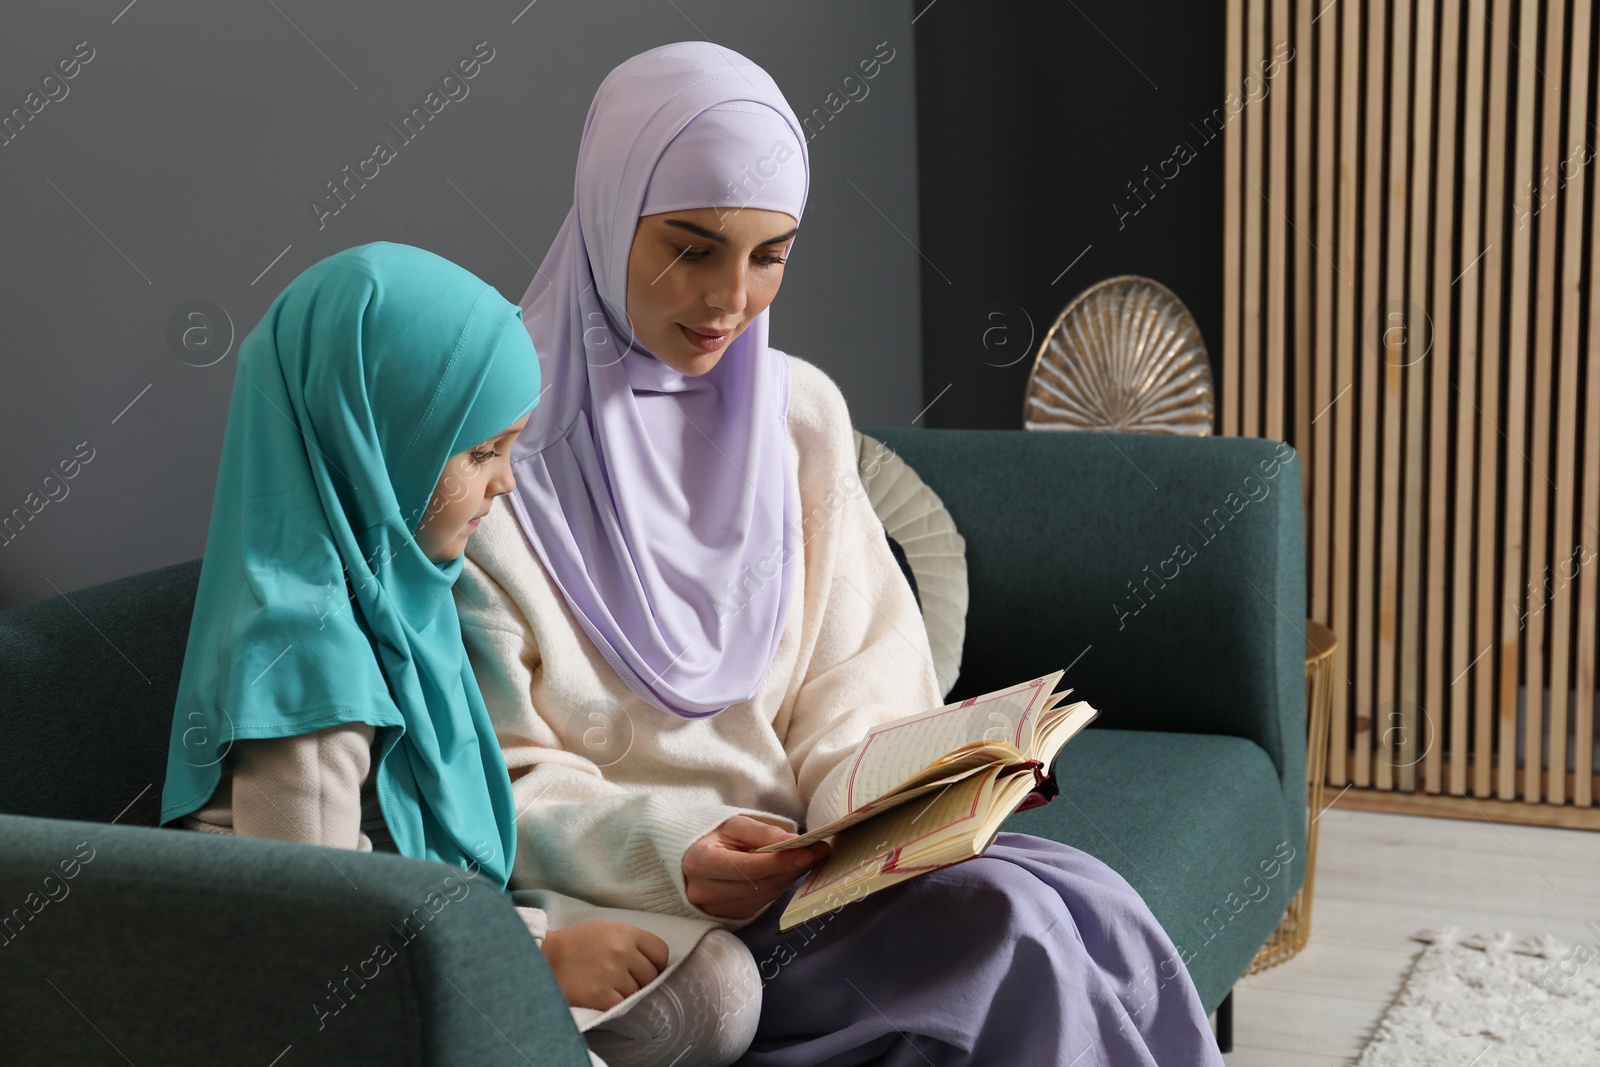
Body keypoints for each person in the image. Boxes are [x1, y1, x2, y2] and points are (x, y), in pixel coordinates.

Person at [455, 42, 1227, 1066]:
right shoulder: (488, 453)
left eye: (769, 254)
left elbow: (856, 670)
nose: (731, 298)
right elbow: (481, 771)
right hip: (647, 912)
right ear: (607, 210)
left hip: (814, 873)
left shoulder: (798, 415)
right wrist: (674, 846)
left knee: (1094, 909)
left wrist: (867, 809)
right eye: (691, 247)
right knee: (1018, 939)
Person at [156, 242, 746, 1065]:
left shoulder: (401, 592)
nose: (506, 483)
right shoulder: (304, 656)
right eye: (479, 454)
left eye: (507, 448)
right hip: (341, 982)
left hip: (437, 912)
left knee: (721, 988)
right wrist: (534, 959)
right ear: (376, 448)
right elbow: (324, 922)